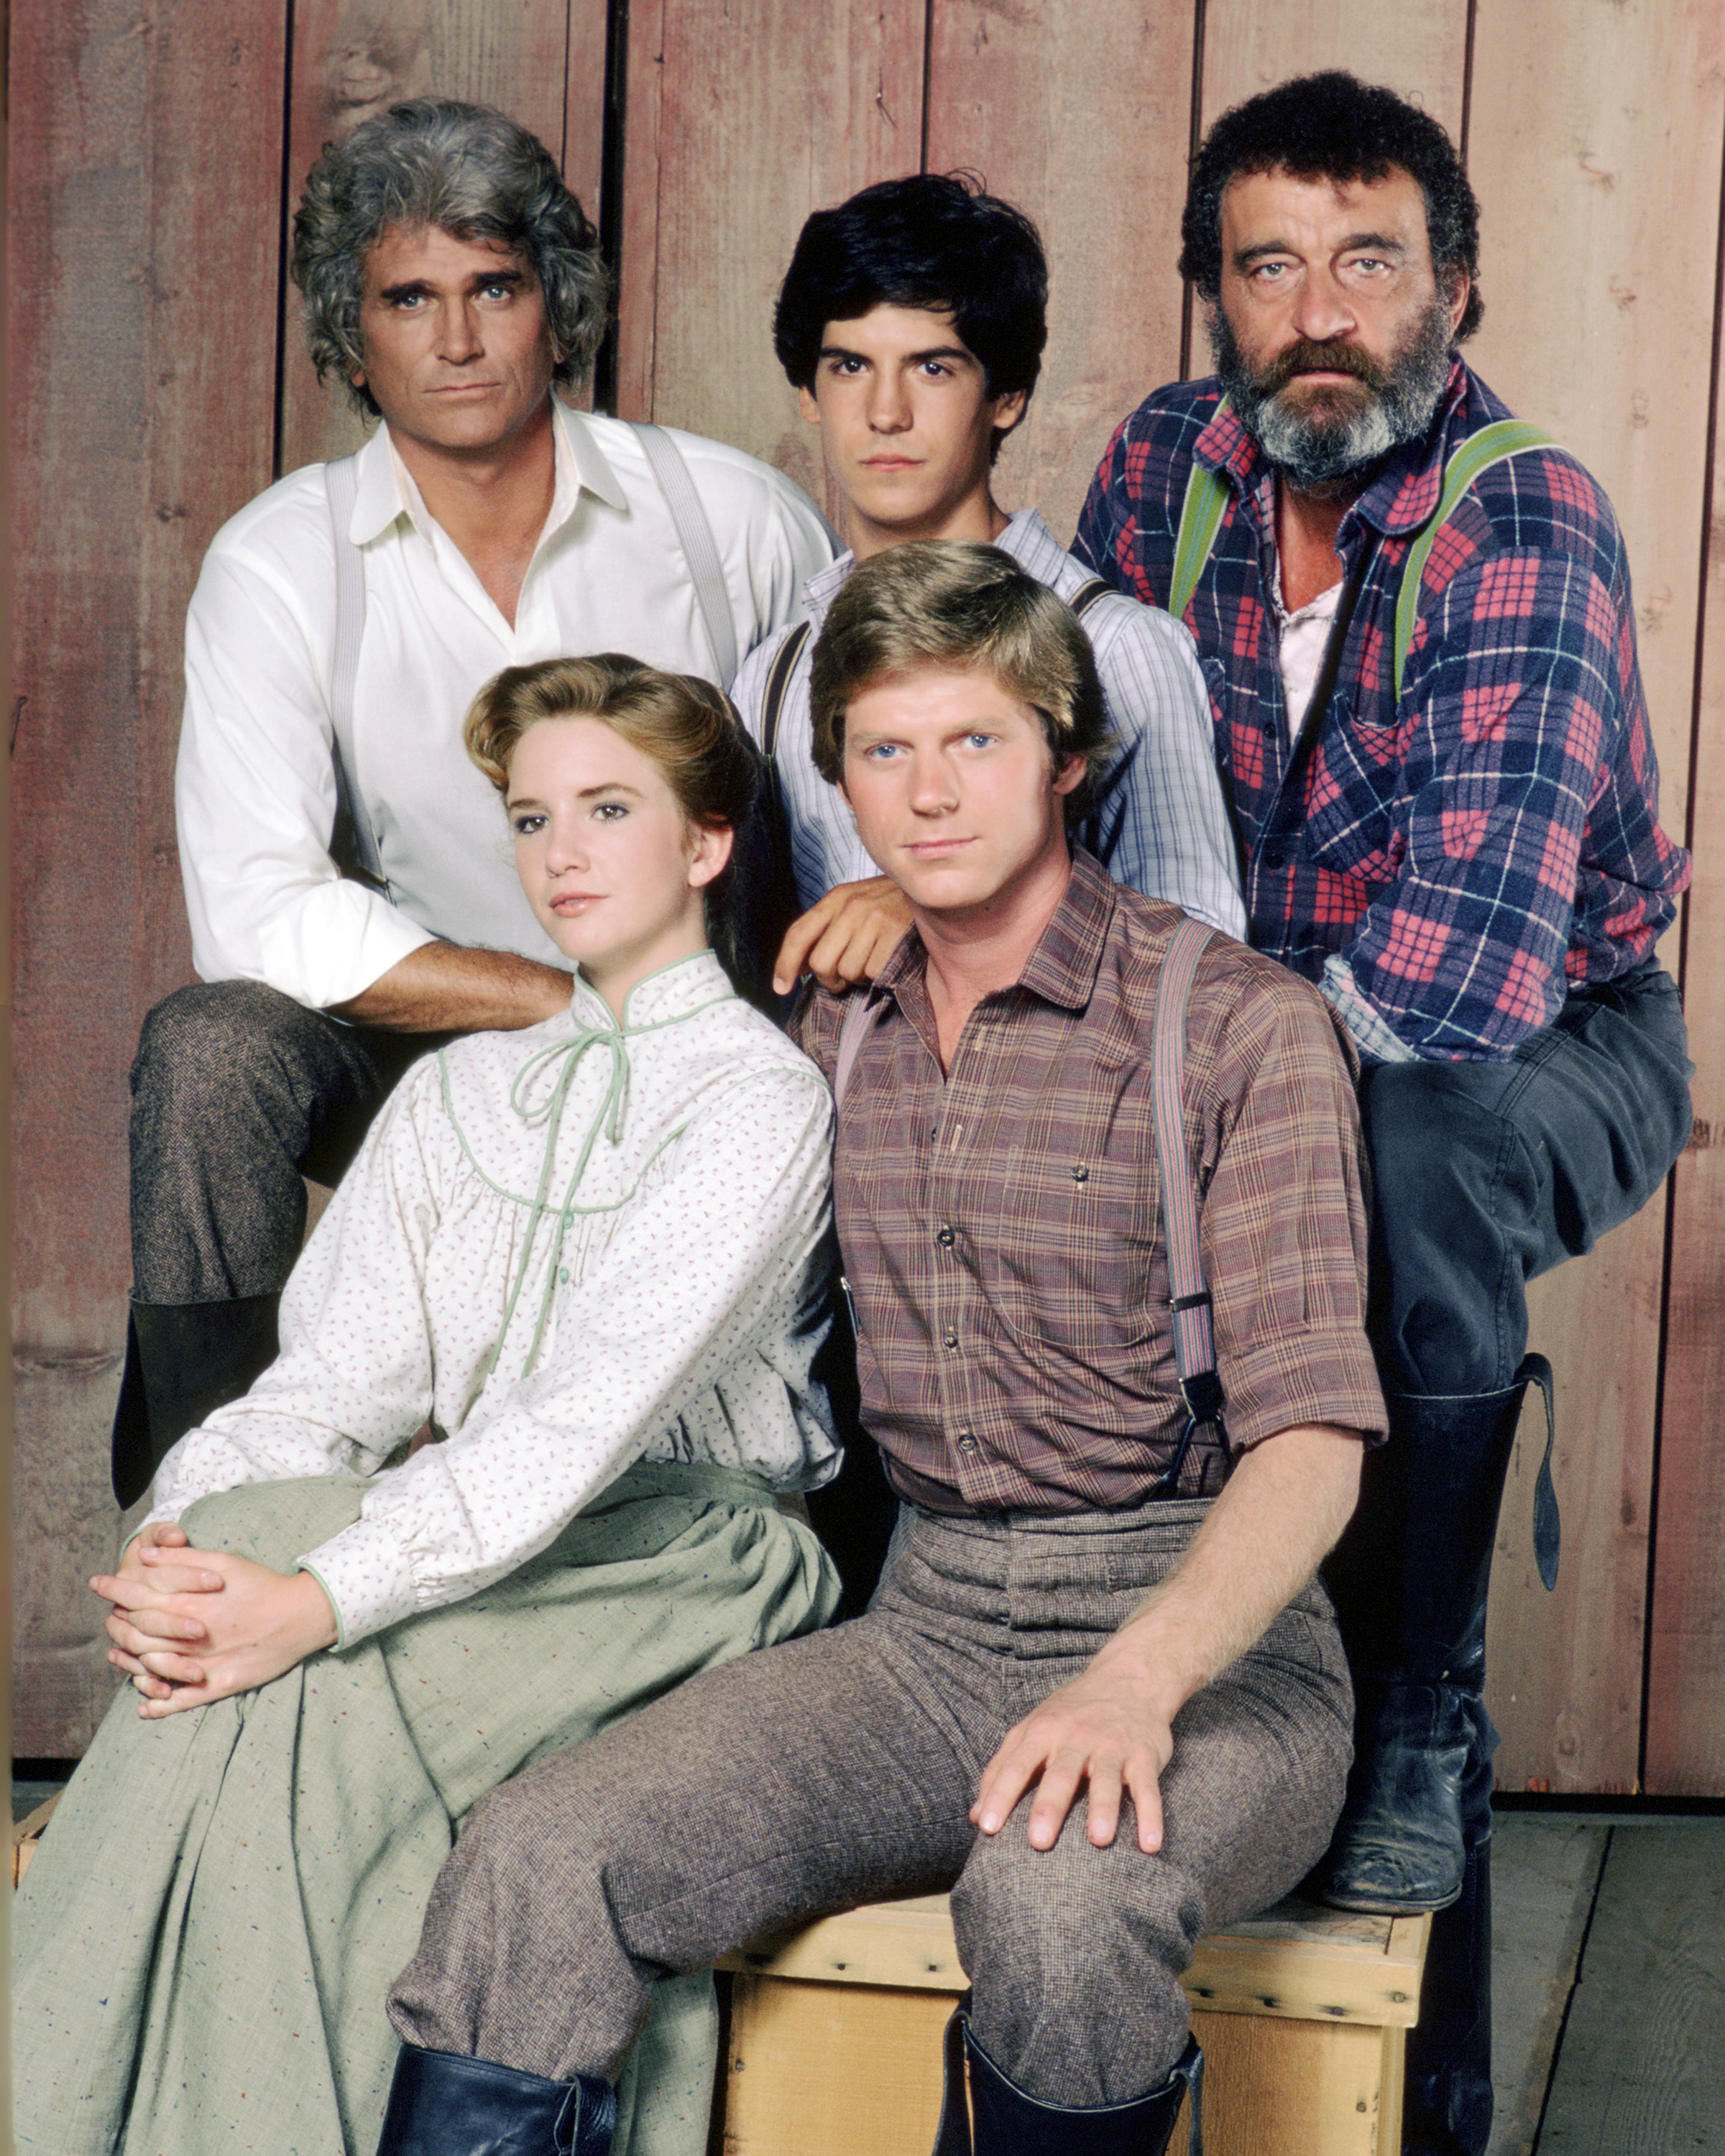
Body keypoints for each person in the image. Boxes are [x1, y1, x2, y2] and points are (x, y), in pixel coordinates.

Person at [374, 543, 1388, 2156]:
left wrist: (1136, 1684)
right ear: (837, 782)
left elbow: (1315, 1444)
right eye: (882, 749)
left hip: (1211, 1653)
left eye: (975, 739)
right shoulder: (832, 1030)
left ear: (1066, 756)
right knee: (541, 1854)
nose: (928, 791)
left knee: (1057, 1900)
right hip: (925, 1636)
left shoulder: (1238, 1026)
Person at [1072, 70, 1693, 2153]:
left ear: (1456, 287)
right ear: (1213, 296)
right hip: (1238, 1038)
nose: (1317, 311)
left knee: (1407, 1160)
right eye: (1268, 268)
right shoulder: (1158, 469)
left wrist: (1200, 1116)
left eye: (1366, 261)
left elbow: (1457, 977)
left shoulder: (1525, 515)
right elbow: (1052, 776)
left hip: (1541, 1041)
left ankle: (1419, 1693)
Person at [15, 658, 842, 2156]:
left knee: (307, 1699)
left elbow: (577, 1423)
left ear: (707, 842)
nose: (562, 854)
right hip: (459, 1525)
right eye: (531, 819)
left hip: (687, 1558)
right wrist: (178, 1548)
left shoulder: (759, 1099)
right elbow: (331, 1388)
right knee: (240, 1608)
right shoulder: (461, 1092)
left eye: (609, 810)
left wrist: (314, 1600)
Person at [116, 97, 834, 1505]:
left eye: (494, 288)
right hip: (433, 1044)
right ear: (353, 337)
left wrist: (706, 1023)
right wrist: (555, 1003)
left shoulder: (729, 517)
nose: (456, 340)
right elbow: (256, 908)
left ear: (557, 310)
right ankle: (216, 1500)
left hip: (712, 1037)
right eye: (410, 299)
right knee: (209, 1053)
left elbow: (823, 803)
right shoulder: (283, 562)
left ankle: (821, 1517)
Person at [728, 171, 1243, 1003]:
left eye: (932, 368)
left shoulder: (1119, 647)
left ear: (1006, 397)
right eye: (850, 366)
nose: (886, 413)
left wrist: (939, 907)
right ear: (808, 393)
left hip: (1055, 1085)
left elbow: (1204, 969)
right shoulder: (774, 675)